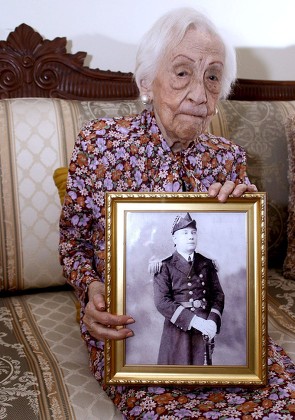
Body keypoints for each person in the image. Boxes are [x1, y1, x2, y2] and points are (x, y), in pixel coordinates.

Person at [58, 7, 293, 419]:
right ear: (147, 81)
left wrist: (243, 224)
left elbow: (228, 276)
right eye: (182, 72)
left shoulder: (229, 160)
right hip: (134, 337)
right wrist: (90, 290)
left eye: (213, 76)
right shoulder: (100, 146)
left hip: (218, 344)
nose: (200, 95)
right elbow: (73, 244)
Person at [153, 212, 224, 365]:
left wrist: (212, 321)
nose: (191, 236)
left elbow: (218, 295)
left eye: (193, 233)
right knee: (176, 378)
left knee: (201, 379)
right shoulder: (164, 266)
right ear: (175, 239)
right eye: (185, 233)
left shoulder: (207, 263)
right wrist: (193, 321)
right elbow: (162, 302)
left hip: (204, 328)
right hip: (178, 328)